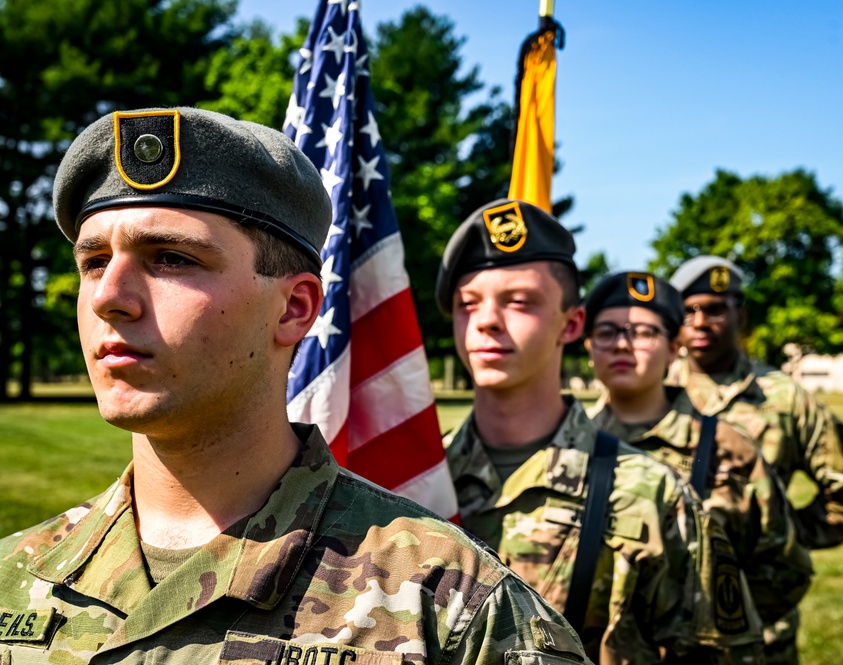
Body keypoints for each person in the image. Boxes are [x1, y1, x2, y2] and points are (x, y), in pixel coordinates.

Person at [0, 108, 592, 665]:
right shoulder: (13, 577)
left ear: (294, 309)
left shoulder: (454, 610)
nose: (108, 296)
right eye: (94, 261)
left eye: (172, 258)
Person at [436, 199, 765, 665]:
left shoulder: (649, 491)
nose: (485, 320)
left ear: (571, 324)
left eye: (519, 301)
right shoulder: (420, 476)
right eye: (467, 303)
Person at [667, 255, 843, 665]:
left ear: (740, 315)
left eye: (714, 309)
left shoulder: (784, 398)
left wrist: (785, 534)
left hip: (758, 621)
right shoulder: (651, 391)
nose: (698, 322)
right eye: (687, 310)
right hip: (663, 617)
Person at [583, 271, 813, 643]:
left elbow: (785, 569)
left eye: (643, 332)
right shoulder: (568, 447)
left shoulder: (728, 447)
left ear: (675, 347)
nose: (622, 345)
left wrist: (717, 630)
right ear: (588, 345)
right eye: (606, 332)